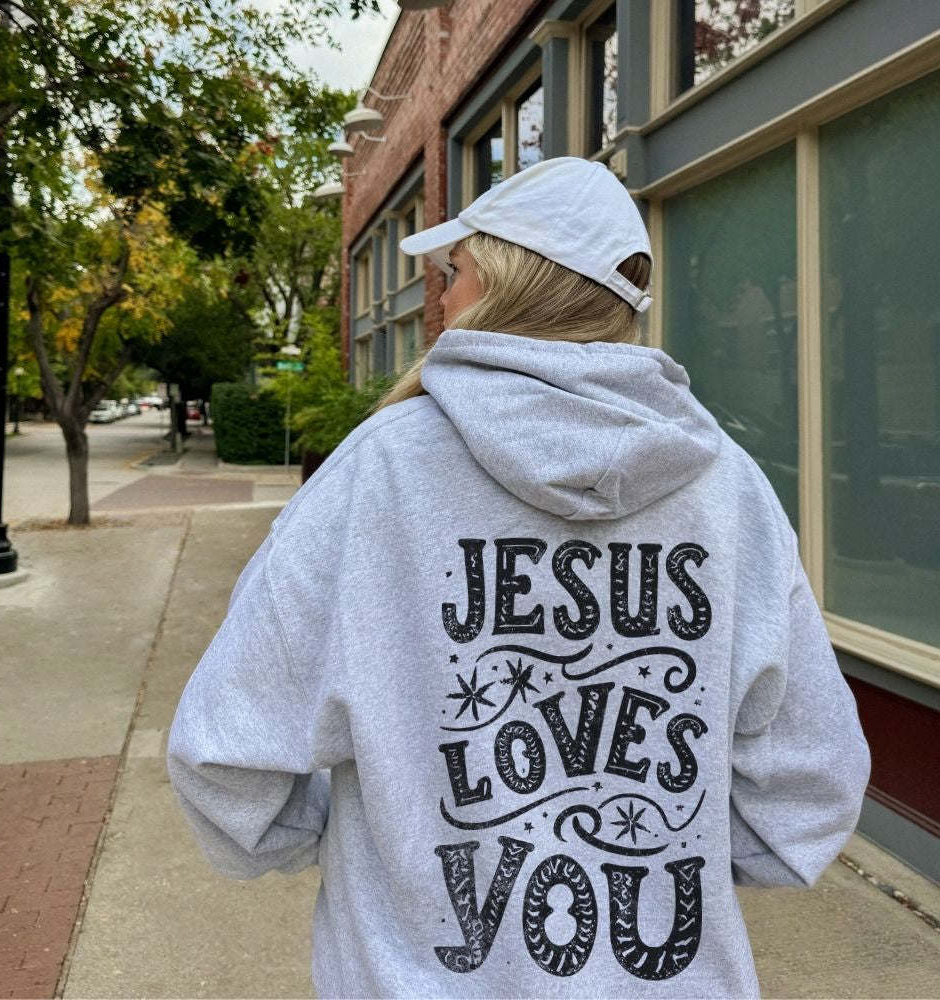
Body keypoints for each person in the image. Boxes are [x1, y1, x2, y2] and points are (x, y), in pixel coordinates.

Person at [168, 156, 870, 999]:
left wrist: (367, 842)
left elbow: (224, 754)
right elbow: (811, 783)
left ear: (505, 283)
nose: (439, 297)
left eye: (454, 270)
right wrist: (682, 861)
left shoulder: (379, 472)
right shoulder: (727, 488)